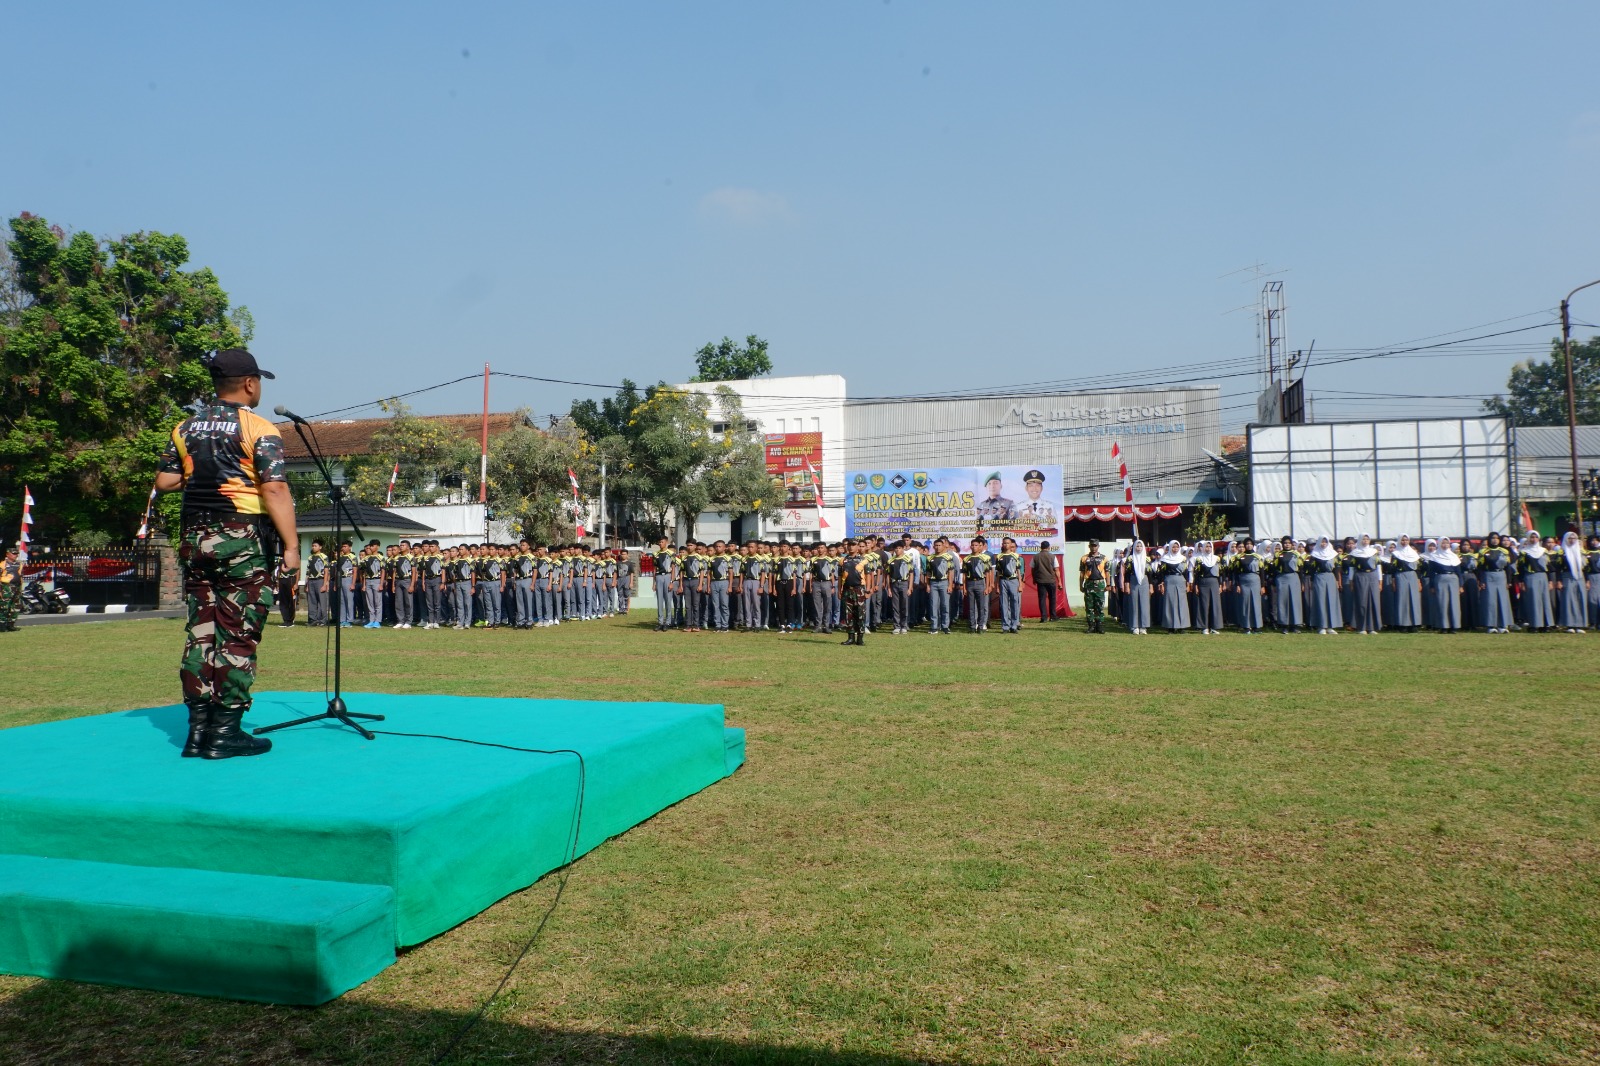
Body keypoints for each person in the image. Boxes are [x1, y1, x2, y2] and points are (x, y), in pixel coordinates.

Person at [153, 347, 297, 760]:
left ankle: (197, 732)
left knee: (201, 632)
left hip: (194, 536)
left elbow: (164, 480)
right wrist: (290, 546)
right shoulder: (259, 428)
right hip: (240, 538)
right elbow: (274, 488)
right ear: (250, 384)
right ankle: (226, 732)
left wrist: (206, 474)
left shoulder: (185, 428)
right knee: (238, 632)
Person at [837, 538, 876, 646]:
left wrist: (868, 590)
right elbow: (840, 577)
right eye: (849, 545)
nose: (851, 547)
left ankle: (860, 638)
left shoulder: (863, 560)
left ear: (858, 547)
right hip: (847, 590)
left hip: (860, 590)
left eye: (853, 545)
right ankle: (850, 637)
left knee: (860, 614)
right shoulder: (842, 560)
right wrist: (839, 590)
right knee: (848, 614)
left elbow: (868, 576)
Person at [1516, 532, 1553, 633]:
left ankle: (1546, 625)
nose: (1534, 539)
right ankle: (1534, 625)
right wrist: (1521, 581)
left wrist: (1550, 580)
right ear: (1528, 539)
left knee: (1545, 600)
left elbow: (1548, 566)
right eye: (1532, 537)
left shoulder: (1543, 551)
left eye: (1536, 536)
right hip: (1530, 576)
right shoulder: (1524, 552)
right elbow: (1520, 568)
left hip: (1543, 576)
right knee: (1533, 601)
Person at [1306, 537, 1342, 635]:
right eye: (1322, 541)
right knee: (1321, 601)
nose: (1323, 543)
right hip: (1319, 577)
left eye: (1325, 541)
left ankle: (1331, 626)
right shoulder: (1315, 554)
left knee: (1331, 601)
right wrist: (1312, 581)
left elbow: (1337, 568)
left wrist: (1337, 581)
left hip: (1330, 577)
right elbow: (1311, 569)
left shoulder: (1333, 554)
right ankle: (1321, 626)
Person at [1154, 541, 1191, 633]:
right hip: (1169, 580)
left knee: (1181, 603)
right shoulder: (1165, 559)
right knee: (1170, 603)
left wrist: (1188, 583)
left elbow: (1186, 572)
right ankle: (1170, 626)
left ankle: (1181, 626)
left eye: (1177, 547)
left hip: (1180, 580)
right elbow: (1161, 573)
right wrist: (1161, 584)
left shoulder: (1183, 558)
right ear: (1170, 548)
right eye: (1173, 547)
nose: (1175, 549)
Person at [1348, 534, 1382, 634]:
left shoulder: (1374, 552)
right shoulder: (1355, 553)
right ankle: (1362, 627)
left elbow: (1379, 568)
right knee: (1362, 602)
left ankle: (1372, 627)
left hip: (1373, 576)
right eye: (1363, 539)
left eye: (1367, 539)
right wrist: (1351, 582)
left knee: (1373, 601)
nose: (1365, 541)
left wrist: (1380, 582)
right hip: (1360, 576)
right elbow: (1351, 569)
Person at [1229, 538, 1265, 634]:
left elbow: (1262, 572)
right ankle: (1246, 626)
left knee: (1256, 603)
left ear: (1253, 545)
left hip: (1255, 580)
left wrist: (1262, 586)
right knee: (1245, 603)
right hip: (1243, 580)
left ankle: (1257, 626)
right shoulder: (1240, 557)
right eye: (1247, 544)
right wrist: (1237, 585)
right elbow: (1236, 572)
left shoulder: (1258, 557)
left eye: (1250, 544)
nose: (1248, 545)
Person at [924, 537, 959, 634]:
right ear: (933, 546)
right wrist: (927, 585)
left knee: (945, 605)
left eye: (939, 545)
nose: (938, 547)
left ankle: (945, 626)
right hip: (933, 583)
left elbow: (951, 572)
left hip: (944, 582)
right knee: (933, 605)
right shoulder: (930, 558)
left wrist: (950, 585)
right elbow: (927, 573)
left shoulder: (948, 557)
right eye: (936, 546)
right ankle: (934, 626)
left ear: (943, 546)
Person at [1388, 535, 1423, 632]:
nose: (1404, 542)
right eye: (1402, 540)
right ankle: (1403, 624)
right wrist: (1394, 581)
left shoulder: (1414, 554)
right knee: (1402, 600)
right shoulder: (1395, 554)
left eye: (1406, 540)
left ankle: (1414, 624)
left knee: (1414, 599)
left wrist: (1419, 581)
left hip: (1413, 576)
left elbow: (1418, 569)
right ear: (1399, 541)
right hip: (1400, 576)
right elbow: (1393, 569)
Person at [1555, 531, 1587, 633]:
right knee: (1569, 600)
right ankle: (1569, 625)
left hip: (1580, 577)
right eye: (1570, 538)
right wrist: (1559, 580)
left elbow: (1586, 567)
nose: (1572, 540)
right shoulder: (1562, 552)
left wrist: (1587, 580)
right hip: (1567, 576)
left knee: (1580, 599)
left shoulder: (1581, 551)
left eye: (1574, 538)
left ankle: (1580, 625)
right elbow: (1558, 568)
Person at [1191, 540, 1224, 635]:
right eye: (1206, 546)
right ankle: (1204, 627)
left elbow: (1221, 573)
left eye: (1210, 546)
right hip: (1203, 582)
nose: (1208, 548)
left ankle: (1215, 627)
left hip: (1214, 582)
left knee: (1215, 604)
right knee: (1204, 605)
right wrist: (1196, 585)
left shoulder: (1216, 558)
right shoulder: (1199, 559)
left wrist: (1221, 584)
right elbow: (1196, 573)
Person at [962, 536, 995, 633]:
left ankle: (981, 626)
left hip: (981, 582)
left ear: (980, 547)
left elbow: (988, 573)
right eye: (972, 545)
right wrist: (964, 587)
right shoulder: (966, 558)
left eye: (976, 545)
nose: (974, 547)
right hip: (970, 583)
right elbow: (964, 574)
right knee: (972, 607)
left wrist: (988, 586)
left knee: (981, 605)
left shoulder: (985, 558)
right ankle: (972, 626)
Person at [1120, 540, 1152, 635]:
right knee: (1134, 603)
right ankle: (1134, 626)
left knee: (1144, 604)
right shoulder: (1130, 559)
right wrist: (1126, 585)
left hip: (1145, 581)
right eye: (1137, 546)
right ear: (1134, 547)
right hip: (1133, 581)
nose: (1138, 548)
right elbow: (1127, 574)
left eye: (1140, 546)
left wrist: (1151, 586)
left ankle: (1143, 626)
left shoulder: (1147, 559)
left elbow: (1150, 573)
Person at [1078, 539, 1109, 634]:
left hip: (1100, 583)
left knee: (1099, 605)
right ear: (1089, 546)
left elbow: (1107, 573)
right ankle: (1091, 626)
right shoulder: (1084, 558)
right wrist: (1081, 585)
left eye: (1095, 545)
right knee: (1089, 606)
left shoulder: (1104, 558)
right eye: (1092, 545)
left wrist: (1108, 584)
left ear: (1098, 546)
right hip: (1089, 583)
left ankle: (1099, 626)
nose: (1093, 547)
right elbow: (1082, 573)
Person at [994, 537, 1024, 633]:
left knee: (1014, 603)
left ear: (1011, 545)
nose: (1006, 545)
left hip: (1013, 580)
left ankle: (1014, 625)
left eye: (1008, 543)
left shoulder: (1015, 556)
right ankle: (1005, 626)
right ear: (1002, 544)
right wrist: (997, 585)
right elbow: (998, 572)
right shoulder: (999, 556)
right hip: (1003, 580)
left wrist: (1020, 584)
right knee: (1004, 604)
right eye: (1004, 543)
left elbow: (1018, 571)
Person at [651, 538, 679, 632]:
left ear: (666, 543)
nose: (660, 543)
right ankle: (660, 622)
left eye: (662, 542)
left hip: (667, 576)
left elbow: (673, 568)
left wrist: (672, 582)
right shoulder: (656, 554)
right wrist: (654, 583)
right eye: (659, 542)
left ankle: (667, 622)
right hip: (659, 576)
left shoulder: (671, 554)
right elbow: (654, 569)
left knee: (668, 600)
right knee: (659, 601)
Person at [1031, 540, 1059, 622]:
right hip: (1051, 580)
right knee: (1052, 598)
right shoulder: (1052, 556)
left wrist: (1034, 578)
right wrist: (1059, 581)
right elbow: (1056, 569)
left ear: (1041, 547)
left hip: (1040, 581)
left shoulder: (1035, 557)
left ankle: (1043, 617)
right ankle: (1053, 616)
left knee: (1042, 599)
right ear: (1049, 547)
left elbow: (1032, 569)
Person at [0, 544, 21, 633]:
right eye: (13, 553)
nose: (15, 555)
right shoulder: (3, 564)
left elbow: (20, 575)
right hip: (6, 587)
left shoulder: (19, 564)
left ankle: (11, 624)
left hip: (17, 587)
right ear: (8, 554)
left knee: (15, 606)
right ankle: (2, 625)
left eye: (16, 554)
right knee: (4, 607)